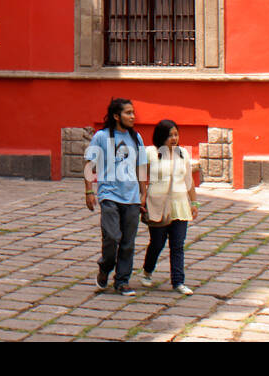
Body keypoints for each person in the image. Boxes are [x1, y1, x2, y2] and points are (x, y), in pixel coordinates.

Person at [84, 97, 148, 296]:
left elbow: (141, 166)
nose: (132, 116)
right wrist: (88, 191)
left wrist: (144, 192)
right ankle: (105, 267)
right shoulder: (101, 137)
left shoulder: (136, 138)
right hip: (109, 194)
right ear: (116, 116)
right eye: (128, 113)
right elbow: (89, 163)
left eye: (133, 112)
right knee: (111, 237)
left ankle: (122, 280)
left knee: (128, 242)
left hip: (131, 197)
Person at [140, 119, 199, 295]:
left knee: (178, 244)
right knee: (157, 243)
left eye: (176, 134)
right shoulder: (151, 152)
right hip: (158, 202)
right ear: (161, 137)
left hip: (180, 203)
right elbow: (142, 175)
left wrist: (194, 202)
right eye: (170, 135)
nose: (174, 138)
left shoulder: (182, 154)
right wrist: (142, 194)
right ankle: (147, 271)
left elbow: (189, 180)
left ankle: (178, 281)